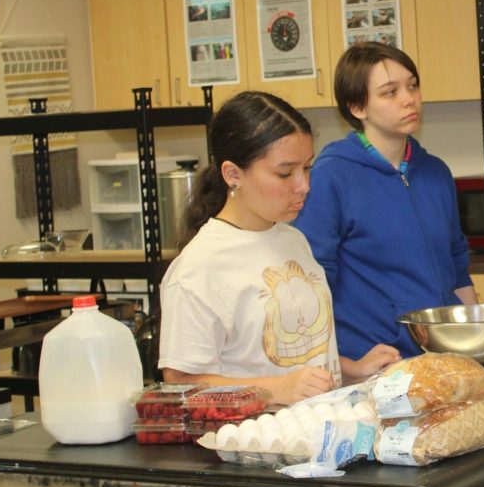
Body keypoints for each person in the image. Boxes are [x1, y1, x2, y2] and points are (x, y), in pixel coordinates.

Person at [157, 91, 400, 406]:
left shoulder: (292, 239)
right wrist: (274, 390)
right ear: (233, 174)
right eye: (285, 173)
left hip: (316, 432)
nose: (304, 185)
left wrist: (352, 370)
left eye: (307, 168)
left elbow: (289, 361)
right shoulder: (198, 267)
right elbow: (180, 384)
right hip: (250, 446)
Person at [294, 43, 477, 361]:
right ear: (357, 107)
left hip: (442, 357)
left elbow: (457, 268)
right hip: (374, 364)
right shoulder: (330, 176)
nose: (410, 99)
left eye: (412, 86)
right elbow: (312, 285)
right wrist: (346, 365)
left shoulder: (435, 172)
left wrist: (477, 337)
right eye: (390, 92)